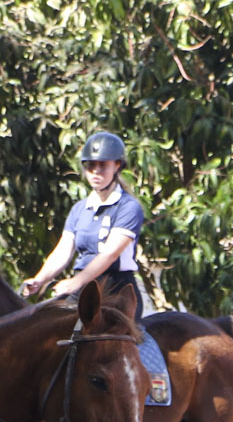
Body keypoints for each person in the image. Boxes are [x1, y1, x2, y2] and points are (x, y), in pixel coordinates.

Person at [20, 130, 146, 318]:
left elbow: (109, 254)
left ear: (117, 166)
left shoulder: (128, 207)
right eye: (90, 166)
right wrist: (40, 279)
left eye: (103, 165)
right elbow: (63, 251)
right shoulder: (80, 208)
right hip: (84, 291)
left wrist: (75, 282)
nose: (96, 171)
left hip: (117, 291)